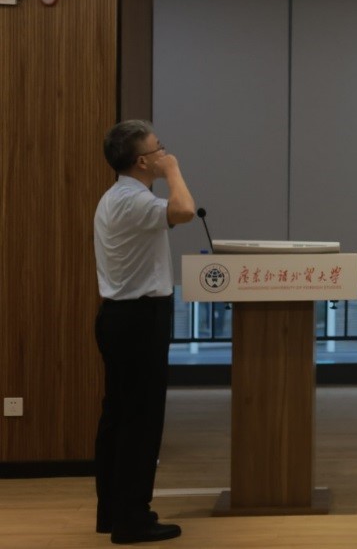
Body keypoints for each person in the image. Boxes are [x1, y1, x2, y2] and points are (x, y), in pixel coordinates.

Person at [94, 120, 195, 545]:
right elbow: (184, 210)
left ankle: (113, 512)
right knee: (140, 421)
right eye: (159, 149)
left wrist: (165, 169)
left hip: (120, 318)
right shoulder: (134, 201)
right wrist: (174, 171)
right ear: (142, 161)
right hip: (139, 320)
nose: (164, 153)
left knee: (119, 417)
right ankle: (132, 519)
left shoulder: (116, 196)